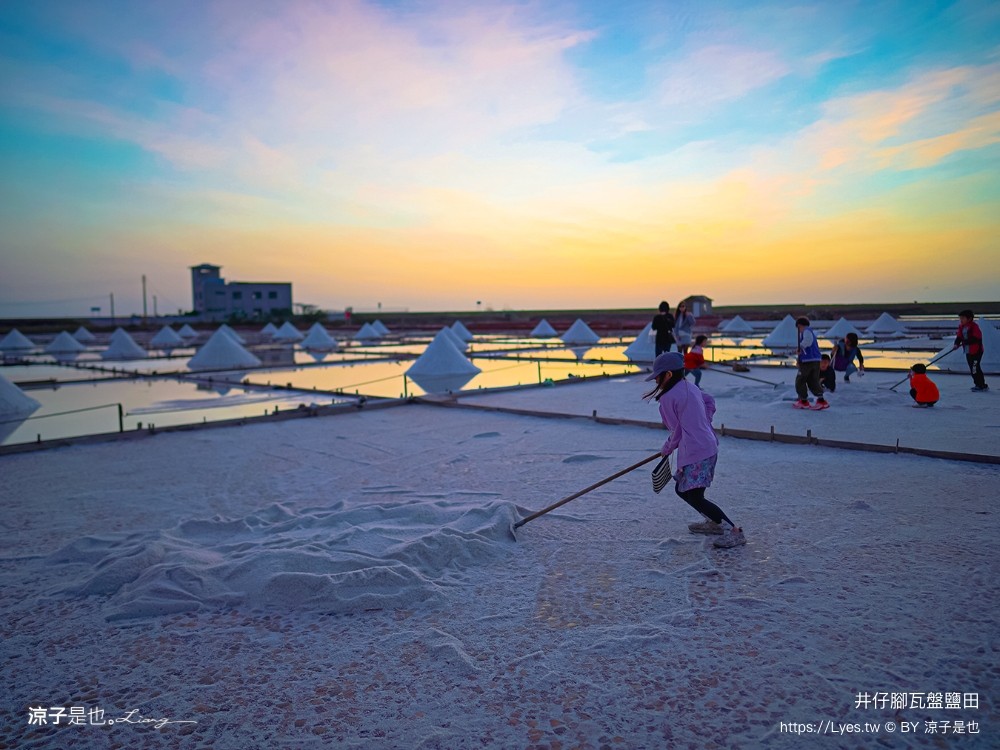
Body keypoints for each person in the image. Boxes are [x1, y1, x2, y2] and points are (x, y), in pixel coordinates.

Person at [643, 352, 745, 548]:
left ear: (669, 374)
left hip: (698, 451)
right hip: (705, 446)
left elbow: (677, 431)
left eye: (658, 374)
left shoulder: (668, 398)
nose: (655, 379)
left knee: (695, 496)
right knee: (682, 490)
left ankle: (733, 531)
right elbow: (710, 401)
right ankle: (714, 521)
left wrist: (667, 448)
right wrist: (703, 422)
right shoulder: (691, 387)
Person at [794, 317, 829, 410]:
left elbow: (808, 342)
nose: (799, 331)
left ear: (800, 326)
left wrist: (800, 347)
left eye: (798, 328)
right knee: (812, 380)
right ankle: (821, 400)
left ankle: (803, 401)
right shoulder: (810, 332)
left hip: (808, 361)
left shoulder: (806, 331)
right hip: (815, 360)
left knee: (800, 380)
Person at [952, 309, 989, 392]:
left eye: (963, 318)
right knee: (972, 368)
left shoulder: (974, 326)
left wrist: (966, 342)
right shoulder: (961, 327)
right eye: (960, 318)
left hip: (977, 351)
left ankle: (982, 385)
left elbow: (977, 338)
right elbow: (959, 337)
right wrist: (956, 344)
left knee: (975, 368)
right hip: (968, 351)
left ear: (969, 319)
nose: (961, 320)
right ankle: (978, 384)